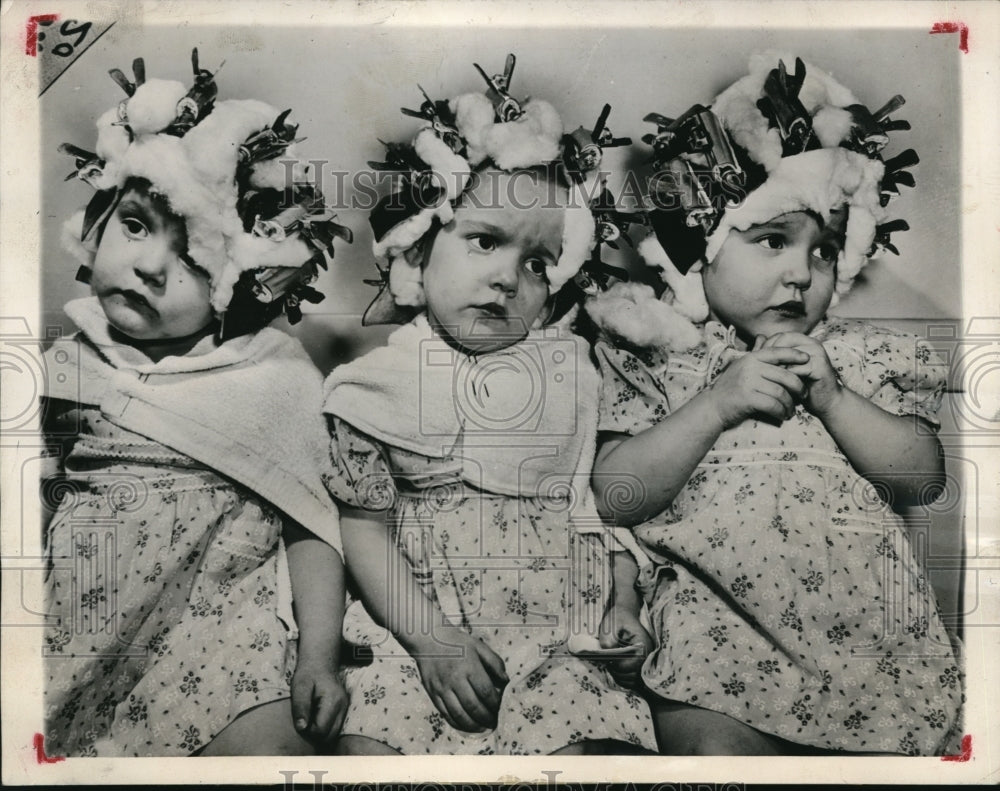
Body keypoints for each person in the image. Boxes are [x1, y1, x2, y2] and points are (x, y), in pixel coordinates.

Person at [585, 53, 963, 756]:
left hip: (862, 631)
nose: (801, 271)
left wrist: (836, 398)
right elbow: (615, 493)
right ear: (702, 249)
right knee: (712, 753)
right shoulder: (664, 353)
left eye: (823, 251)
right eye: (771, 241)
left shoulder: (857, 355)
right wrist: (716, 405)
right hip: (718, 633)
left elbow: (923, 477)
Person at [323, 56, 656, 755]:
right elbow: (363, 529)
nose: (509, 276)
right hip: (423, 631)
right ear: (416, 256)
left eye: (537, 263)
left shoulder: (567, 370)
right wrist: (431, 640)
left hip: (558, 638)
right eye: (484, 240)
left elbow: (589, 505)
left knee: (589, 745)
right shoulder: (379, 379)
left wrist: (623, 599)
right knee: (372, 743)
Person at [41, 50, 350, 756]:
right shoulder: (66, 359)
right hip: (85, 616)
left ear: (239, 283)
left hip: (215, 626)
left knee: (274, 747)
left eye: (192, 260)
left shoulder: (270, 374)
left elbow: (312, 520)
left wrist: (319, 655)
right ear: (98, 222)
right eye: (137, 225)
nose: (150, 266)